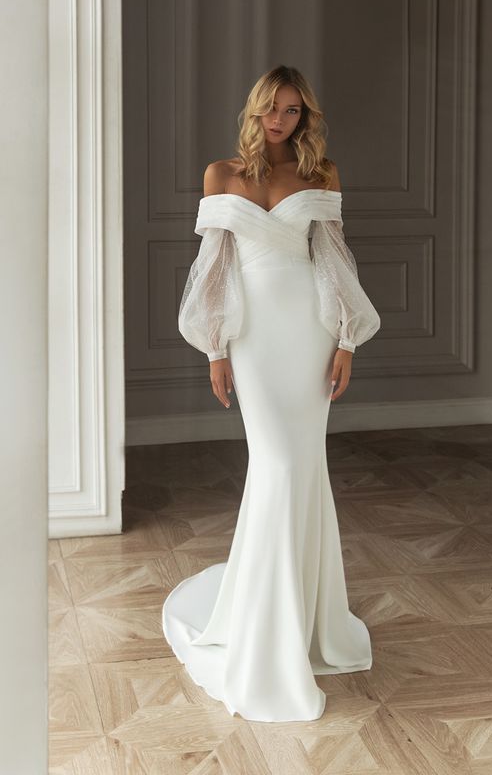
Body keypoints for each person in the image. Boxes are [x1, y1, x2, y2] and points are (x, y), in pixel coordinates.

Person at [161, 64, 381, 723]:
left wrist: (345, 340)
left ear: (304, 117)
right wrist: (216, 346)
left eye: (291, 110)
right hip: (254, 334)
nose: (279, 120)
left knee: (302, 465)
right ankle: (268, 626)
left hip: (308, 331)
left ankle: (306, 624)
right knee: (278, 464)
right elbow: (216, 266)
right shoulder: (220, 174)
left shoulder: (322, 173)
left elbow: (334, 261)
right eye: (270, 109)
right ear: (254, 111)